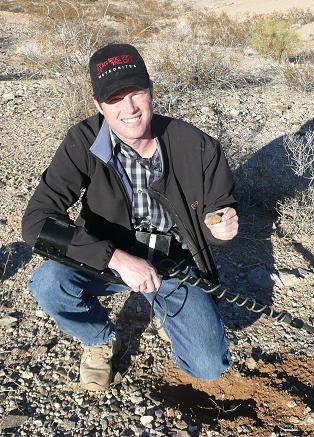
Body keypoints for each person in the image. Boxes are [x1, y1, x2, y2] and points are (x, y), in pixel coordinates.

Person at [21, 43, 239, 391]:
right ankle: (100, 339)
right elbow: (35, 222)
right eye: (114, 99)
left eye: (136, 92)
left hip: (173, 264)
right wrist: (115, 258)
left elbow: (219, 208)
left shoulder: (196, 145)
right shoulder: (83, 142)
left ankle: (174, 314)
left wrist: (222, 228)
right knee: (48, 282)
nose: (130, 108)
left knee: (208, 367)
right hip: (108, 257)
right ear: (97, 104)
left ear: (151, 90)